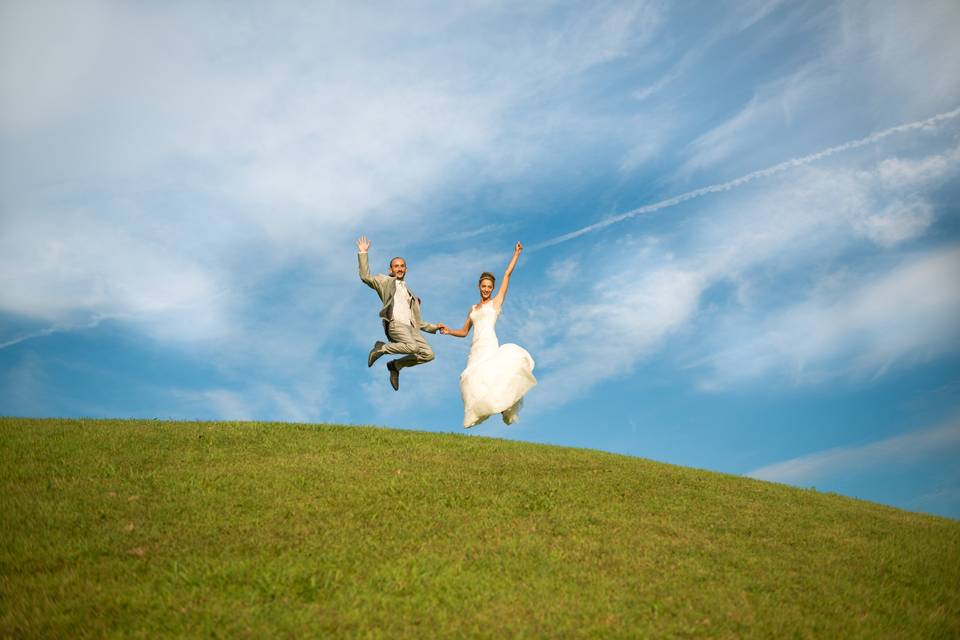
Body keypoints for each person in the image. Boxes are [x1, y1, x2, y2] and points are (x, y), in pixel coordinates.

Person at [441, 241, 536, 427]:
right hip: (475, 347)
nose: (486, 289)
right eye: (483, 286)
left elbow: (507, 275)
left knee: (493, 376)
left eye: (489, 287)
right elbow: (464, 331)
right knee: (469, 378)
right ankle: (483, 408)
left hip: (489, 344)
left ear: (492, 289)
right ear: (478, 287)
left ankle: (504, 405)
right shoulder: (473, 308)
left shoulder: (495, 304)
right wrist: (448, 331)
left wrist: (516, 254)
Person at [356, 235, 444, 391]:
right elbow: (365, 277)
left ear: (406, 269)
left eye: (402, 266)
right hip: (395, 324)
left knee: (429, 354)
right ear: (390, 269)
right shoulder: (385, 282)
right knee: (412, 347)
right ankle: (381, 348)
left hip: (411, 329)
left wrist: (434, 327)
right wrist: (363, 253)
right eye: (396, 266)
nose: (399, 268)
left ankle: (396, 365)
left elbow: (417, 321)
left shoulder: (411, 295)